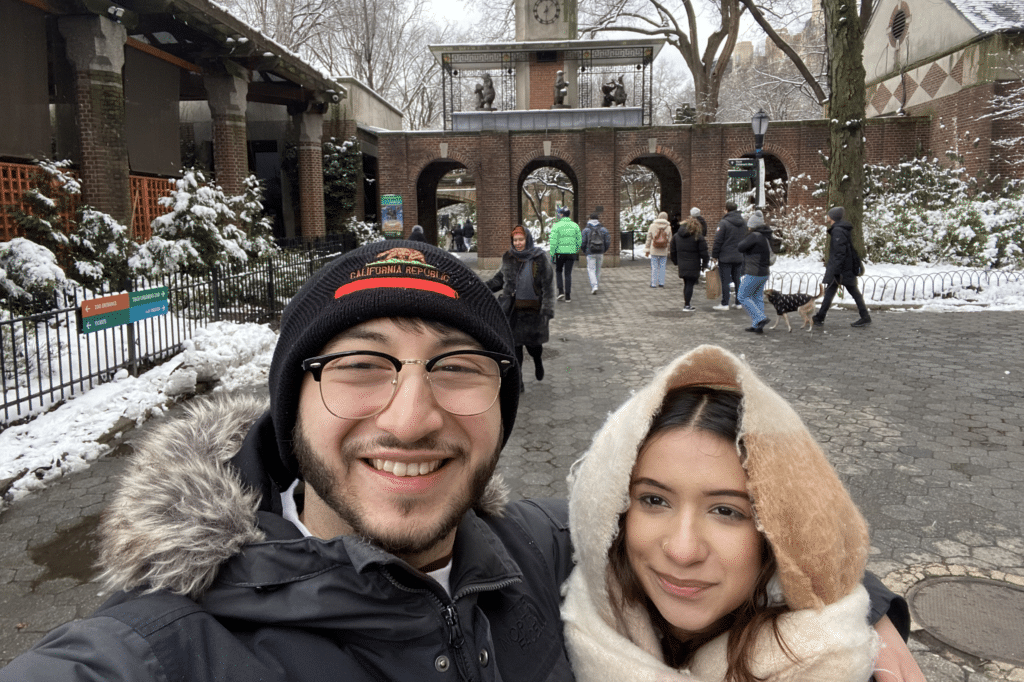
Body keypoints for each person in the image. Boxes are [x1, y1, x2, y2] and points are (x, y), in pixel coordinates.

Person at [0, 243, 923, 682]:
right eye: (359, 367)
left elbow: (710, 529)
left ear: (501, 401)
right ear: (291, 409)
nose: (411, 416)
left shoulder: (540, 551)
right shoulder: (158, 654)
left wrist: (863, 608)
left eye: (457, 368)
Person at [562, 344, 925, 682]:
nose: (682, 550)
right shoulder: (566, 601)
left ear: (778, 530)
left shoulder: (832, 662)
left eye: (726, 511)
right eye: (654, 500)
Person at [487, 225, 556, 389]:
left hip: (533, 311)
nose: (518, 243)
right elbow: (499, 280)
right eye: (515, 240)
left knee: (534, 347)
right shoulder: (508, 257)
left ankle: (538, 361)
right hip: (513, 311)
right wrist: (482, 286)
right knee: (515, 348)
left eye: (521, 240)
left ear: (528, 239)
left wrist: (547, 310)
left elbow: (548, 286)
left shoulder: (539, 258)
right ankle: (519, 381)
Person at [813, 206, 872, 328]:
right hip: (844, 268)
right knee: (831, 291)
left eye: (828, 215)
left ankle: (865, 317)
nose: (827, 216)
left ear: (832, 217)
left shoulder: (838, 231)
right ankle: (820, 316)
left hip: (842, 269)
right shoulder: (840, 229)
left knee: (853, 292)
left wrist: (836, 271)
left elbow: (840, 253)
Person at [736, 209, 773, 334]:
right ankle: (757, 325)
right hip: (764, 272)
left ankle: (760, 318)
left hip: (754, 272)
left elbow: (740, 247)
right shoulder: (764, 235)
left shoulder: (754, 236)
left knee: (742, 295)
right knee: (757, 297)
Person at [711, 201, 746, 311]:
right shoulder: (744, 222)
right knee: (737, 280)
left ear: (726, 210)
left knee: (725, 281)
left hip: (725, 256)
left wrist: (714, 255)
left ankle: (725, 303)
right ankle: (738, 302)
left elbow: (718, 240)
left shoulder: (724, 223)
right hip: (739, 256)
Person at [670, 216, 709, 311]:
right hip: (694, 264)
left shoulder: (676, 236)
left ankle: (687, 303)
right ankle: (687, 305)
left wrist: (676, 261)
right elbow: (704, 253)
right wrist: (704, 264)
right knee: (690, 284)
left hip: (682, 264)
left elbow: (672, 251)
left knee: (686, 283)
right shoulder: (698, 236)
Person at [549, 206, 583, 302]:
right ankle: (568, 296)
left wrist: (552, 254)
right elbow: (579, 240)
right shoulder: (575, 226)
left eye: (560, 214)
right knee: (568, 273)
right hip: (571, 253)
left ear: (562, 215)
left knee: (558, 271)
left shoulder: (556, 226)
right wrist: (575, 249)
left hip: (559, 253)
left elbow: (553, 241)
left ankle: (560, 292)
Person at [581, 215, 610, 294]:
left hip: (590, 252)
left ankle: (594, 286)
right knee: (598, 270)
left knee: (591, 269)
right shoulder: (603, 229)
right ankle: (596, 284)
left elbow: (583, 243)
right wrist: (604, 250)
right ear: (598, 220)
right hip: (600, 252)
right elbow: (607, 242)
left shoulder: (586, 230)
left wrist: (585, 251)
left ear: (589, 219)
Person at [644, 212, 673, 288]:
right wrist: (669, 250)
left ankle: (653, 283)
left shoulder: (652, 226)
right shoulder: (668, 227)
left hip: (654, 249)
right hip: (664, 249)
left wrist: (647, 249)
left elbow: (649, 238)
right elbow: (670, 240)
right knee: (662, 267)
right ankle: (661, 283)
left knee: (654, 267)